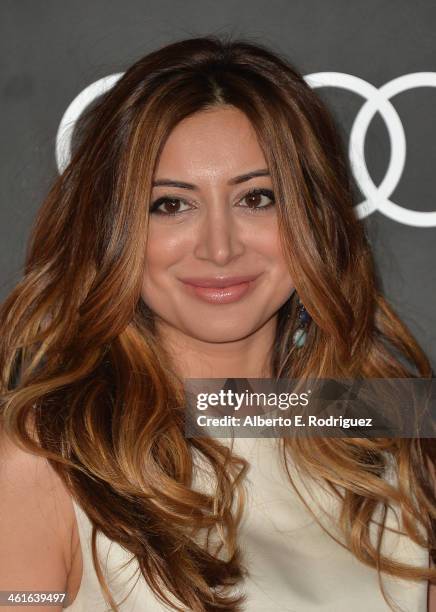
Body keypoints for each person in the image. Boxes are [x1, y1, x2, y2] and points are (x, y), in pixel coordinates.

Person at [0, 35, 434, 612]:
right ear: (116, 232)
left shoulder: (398, 442)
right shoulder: (45, 460)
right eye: (171, 204)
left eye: (257, 198)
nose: (220, 247)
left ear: (313, 219)